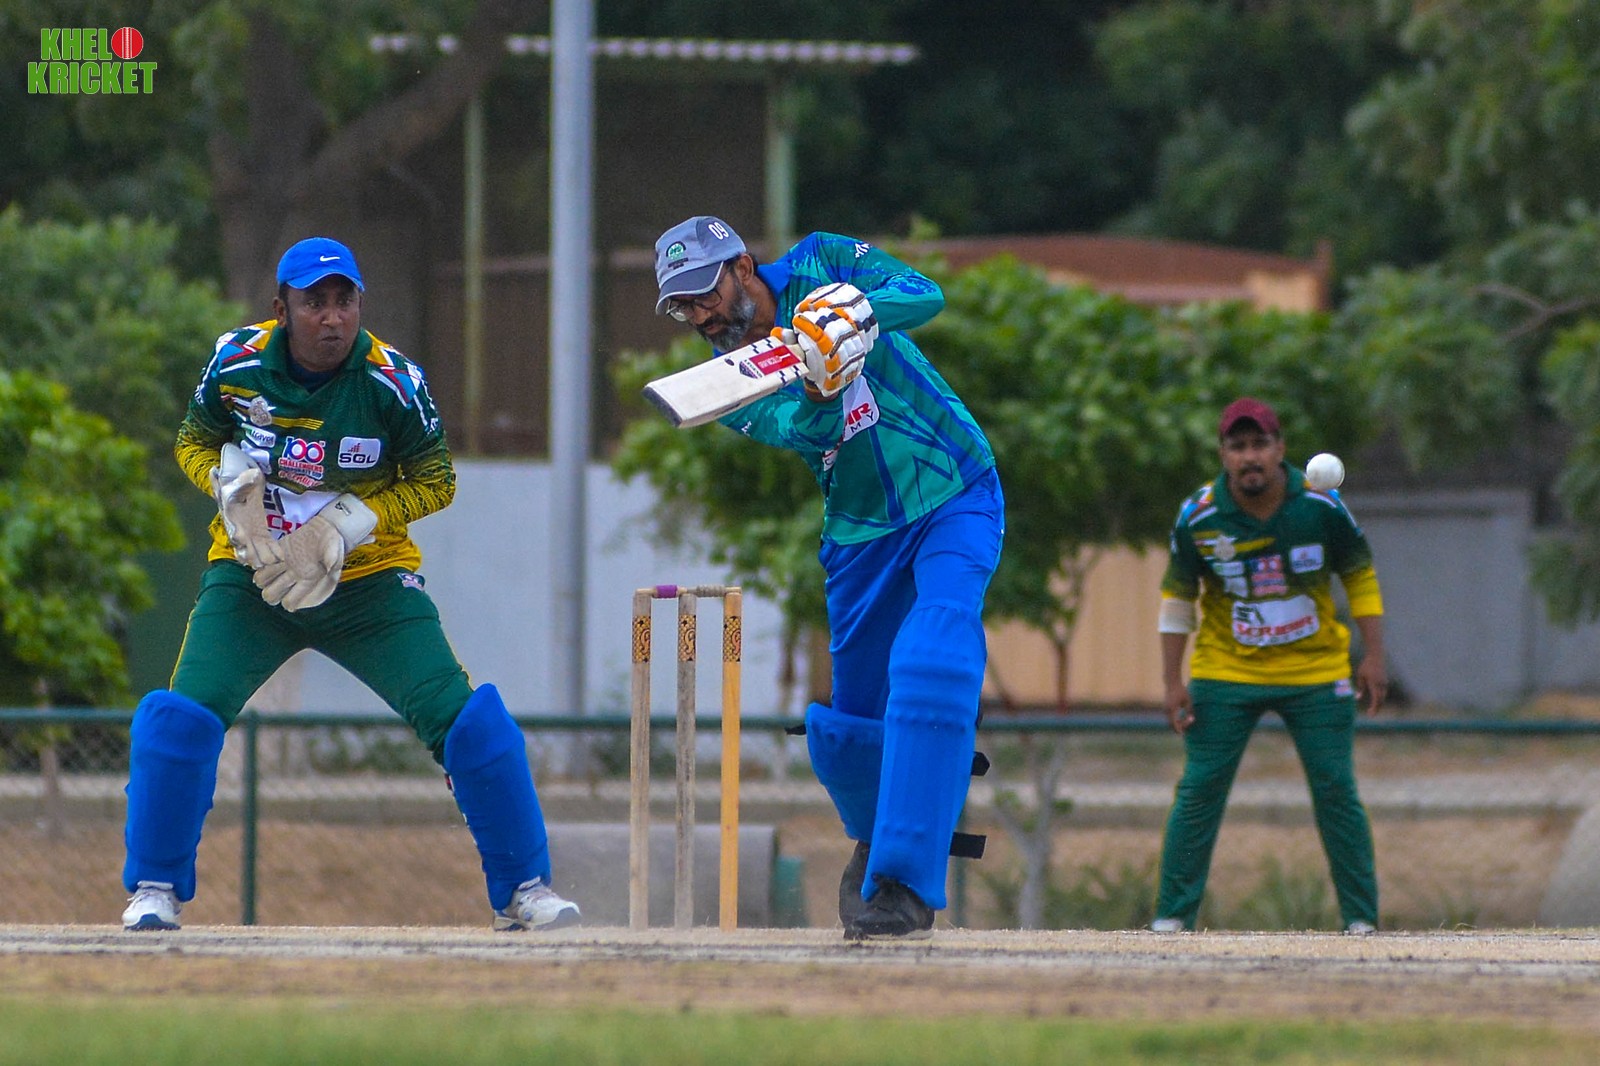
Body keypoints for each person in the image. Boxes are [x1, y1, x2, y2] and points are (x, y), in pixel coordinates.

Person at [120, 237, 580, 933]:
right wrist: (223, 483)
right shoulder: (235, 360)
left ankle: (525, 889)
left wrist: (352, 520)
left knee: (465, 719)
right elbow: (192, 438)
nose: (332, 318)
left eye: (345, 301)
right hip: (254, 577)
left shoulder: (394, 381)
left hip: (367, 582)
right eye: (315, 303)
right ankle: (154, 889)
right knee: (181, 719)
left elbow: (437, 481)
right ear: (282, 310)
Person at [652, 216, 1004, 940]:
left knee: (932, 659)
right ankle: (875, 841)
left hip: (955, 488)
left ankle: (903, 883)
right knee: (849, 733)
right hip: (859, 535)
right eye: (682, 306)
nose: (699, 315)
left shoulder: (823, 260)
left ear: (742, 266)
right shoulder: (726, 383)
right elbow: (802, 431)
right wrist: (819, 386)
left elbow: (924, 294)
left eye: (704, 292)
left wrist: (854, 318)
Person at [1150, 397, 1387, 935]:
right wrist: (1171, 680)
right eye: (1238, 446)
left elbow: (1359, 575)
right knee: (1200, 790)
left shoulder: (1321, 505)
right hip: (1226, 670)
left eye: (1260, 444)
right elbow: (1177, 598)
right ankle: (1172, 916)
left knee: (1336, 790)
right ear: (1223, 454)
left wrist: (1373, 655)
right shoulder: (1200, 515)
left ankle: (1361, 920)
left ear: (1280, 449)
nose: (1249, 456)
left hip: (1315, 670)